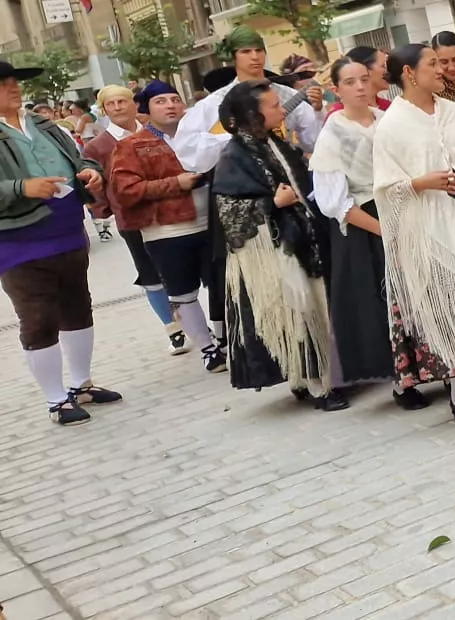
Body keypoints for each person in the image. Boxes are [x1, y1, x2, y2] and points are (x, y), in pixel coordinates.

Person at [373, 43, 455, 426]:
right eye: (431, 64)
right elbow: (384, 190)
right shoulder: (392, 125)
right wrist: (420, 182)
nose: (440, 70)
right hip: (428, 224)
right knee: (449, 303)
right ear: (409, 73)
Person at [210, 81, 346, 411]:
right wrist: (274, 203)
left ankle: (309, 378)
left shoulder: (273, 142)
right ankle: (318, 387)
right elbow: (229, 211)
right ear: (252, 114)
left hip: (301, 241)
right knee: (300, 314)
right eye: (272, 105)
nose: (280, 110)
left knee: (313, 308)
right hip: (275, 251)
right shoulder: (234, 155)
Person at [0, 60, 120, 425]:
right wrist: (22, 187)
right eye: (3, 84)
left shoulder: (44, 125)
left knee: (77, 306)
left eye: (13, 82)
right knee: (37, 317)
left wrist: (91, 173)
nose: (13, 88)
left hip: (67, 229)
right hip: (20, 239)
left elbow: (80, 157)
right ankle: (56, 400)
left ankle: (82, 384)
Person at [309, 59, 421, 405]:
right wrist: (383, 230)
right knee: (384, 303)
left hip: (404, 207)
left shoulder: (388, 120)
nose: (359, 87)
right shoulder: (333, 134)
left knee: (418, 294)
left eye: (364, 79)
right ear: (337, 89)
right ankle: (402, 382)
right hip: (365, 222)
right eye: (349, 82)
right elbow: (335, 202)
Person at [125, 82, 229, 375]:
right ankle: (208, 350)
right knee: (184, 292)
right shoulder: (132, 146)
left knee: (221, 285)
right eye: (161, 101)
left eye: (175, 99)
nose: (171, 105)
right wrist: (175, 183)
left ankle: (224, 340)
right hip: (167, 232)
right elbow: (125, 190)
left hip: (211, 224)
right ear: (147, 109)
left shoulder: (202, 137)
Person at [84, 85, 182, 353]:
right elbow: (96, 182)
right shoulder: (97, 146)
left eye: (122, 101)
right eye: (110, 104)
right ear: (103, 110)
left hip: (172, 208)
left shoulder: (155, 131)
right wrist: (104, 209)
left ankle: (192, 320)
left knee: (177, 270)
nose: (117, 108)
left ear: (133, 104)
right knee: (150, 274)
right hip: (132, 218)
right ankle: (172, 328)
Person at [177, 28, 321, 168]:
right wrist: (241, 136)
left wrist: (318, 110)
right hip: (239, 179)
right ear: (234, 57)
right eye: (246, 51)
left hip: (285, 174)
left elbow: (314, 143)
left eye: (259, 50)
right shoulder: (215, 101)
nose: (255, 56)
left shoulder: (287, 95)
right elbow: (188, 148)